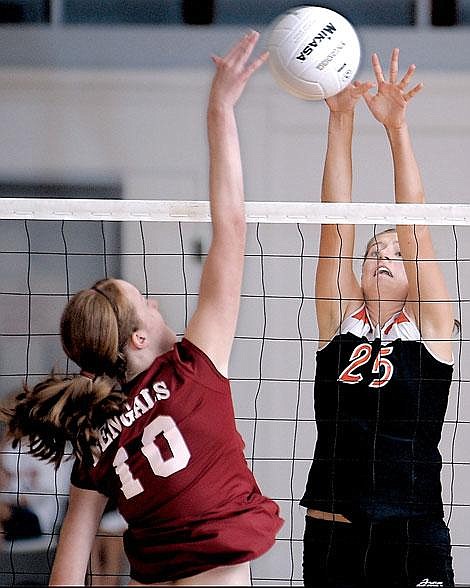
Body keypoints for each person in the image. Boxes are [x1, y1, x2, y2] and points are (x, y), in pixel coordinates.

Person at [1, 31, 283, 586]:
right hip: (215, 573)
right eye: (145, 302)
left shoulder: (94, 426)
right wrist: (220, 107)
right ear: (135, 338)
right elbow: (231, 224)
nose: (156, 302)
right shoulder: (193, 372)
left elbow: (70, 557)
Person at [301, 49, 455, 587]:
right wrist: (340, 118)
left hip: (411, 526)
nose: (384, 256)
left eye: (395, 252)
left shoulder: (433, 329)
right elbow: (333, 222)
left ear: (415, 274)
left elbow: (415, 222)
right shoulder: (341, 320)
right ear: (360, 274)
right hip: (334, 525)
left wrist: (396, 129)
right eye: (373, 252)